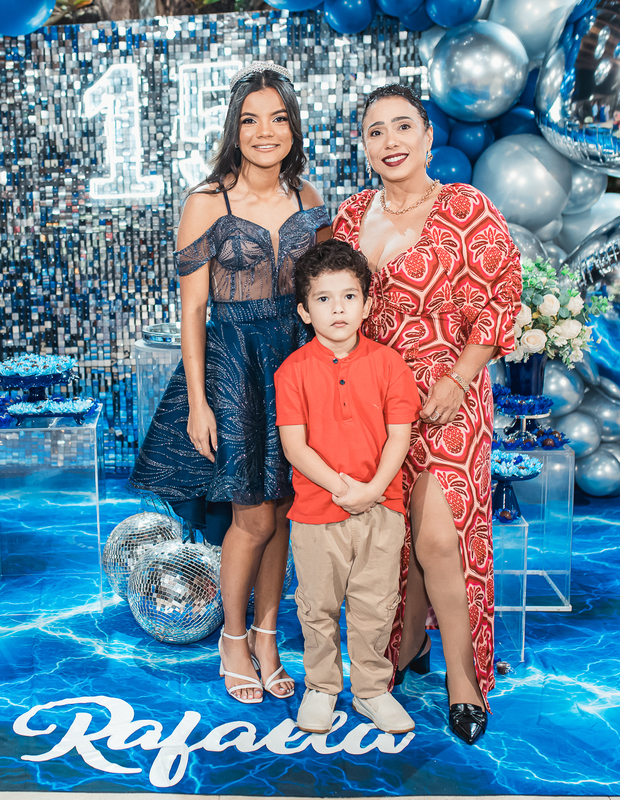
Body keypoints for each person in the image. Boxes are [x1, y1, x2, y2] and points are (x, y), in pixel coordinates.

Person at [130, 62, 332, 704]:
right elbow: (193, 311)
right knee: (251, 516)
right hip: (234, 365)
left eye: (278, 119)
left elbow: (324, 294)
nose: (265, 131)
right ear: (233, 130)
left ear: (293, 129)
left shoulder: (309, 199)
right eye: (251, 120)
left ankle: (269, 638)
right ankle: (234, 638)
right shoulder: (206, 202)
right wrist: (198, 402)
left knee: (284, 510)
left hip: (295, 365)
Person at [331, 83, 521, 744]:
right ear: (364, 146)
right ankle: (408, 641)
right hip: (376, 401)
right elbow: (336, 308)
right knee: (394, 537)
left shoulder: (467, 207)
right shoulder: (351, 216)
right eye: (375, 131)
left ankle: (463, 678)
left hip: (448, 394)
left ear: (428, 136)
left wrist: (460, 378)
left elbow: (502, 299)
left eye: (402, 126)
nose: (391, 141)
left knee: (439, 535)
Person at [275, 239, 421, 735]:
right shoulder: (292, 372)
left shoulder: (390, 365)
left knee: (375, 605)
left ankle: (372, 690)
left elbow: (399, 436)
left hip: (382, 508)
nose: (338, 309)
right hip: (317, 512)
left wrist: (373, 490)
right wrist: (344, 489)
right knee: (317, 605)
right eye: (323, 298)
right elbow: (296, 448)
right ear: (304, 311)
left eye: (349, 296)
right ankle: (321, 686)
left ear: (367, 304)